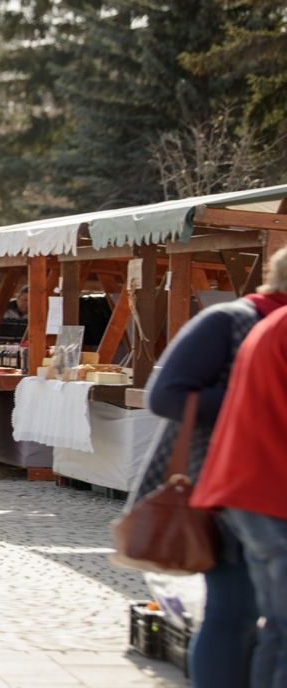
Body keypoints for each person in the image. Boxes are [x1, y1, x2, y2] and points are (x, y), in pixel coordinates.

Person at [137, 246, 287, 688]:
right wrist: (250, 400)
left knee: (260, 619)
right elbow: (164, 396)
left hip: (252, 479)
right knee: (233, 612)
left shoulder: (268, 325)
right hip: (222, 477)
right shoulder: (230, 320)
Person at [191, 304, 287, 688]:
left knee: (273, 628)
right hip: (268, 493)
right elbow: (168, 395)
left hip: (253, 490)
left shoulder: (272, 325)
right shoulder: (238, 322)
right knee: (246, 619)